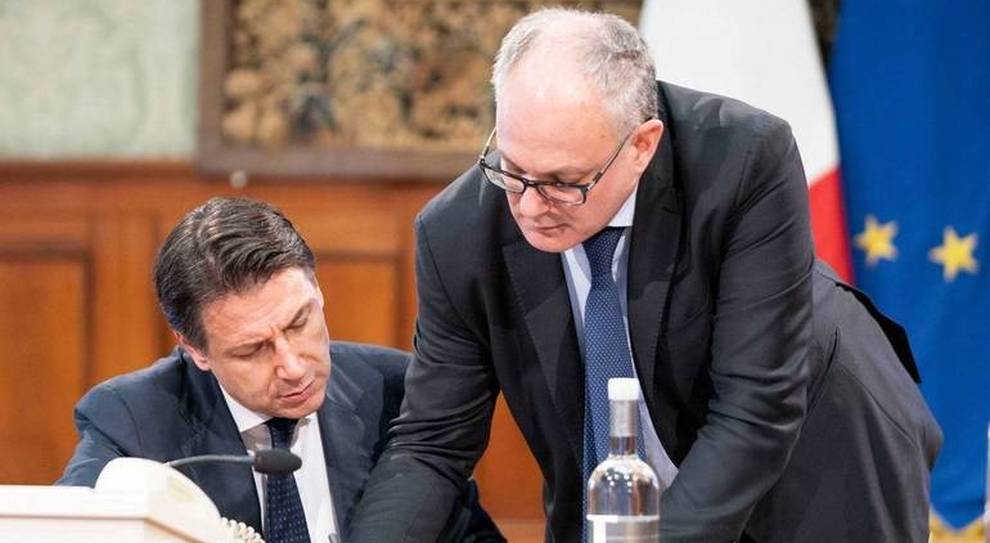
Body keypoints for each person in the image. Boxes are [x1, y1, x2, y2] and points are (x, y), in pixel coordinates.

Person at [348, 8, 941, 543]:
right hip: (625, 496)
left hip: (818, 455)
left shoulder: (744, 160)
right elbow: (432, 444)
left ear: (641, 145)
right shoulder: (456, 233)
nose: (528, 206)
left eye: (562, 183)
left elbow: (756, 406)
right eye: (511, 168)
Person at [57, 197, 503, 543]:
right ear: (194, 349)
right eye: (252, 350)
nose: (292, 366)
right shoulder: (132, 422)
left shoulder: (396, 393)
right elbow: (64, 530)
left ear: (317, 289)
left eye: (299, 323)